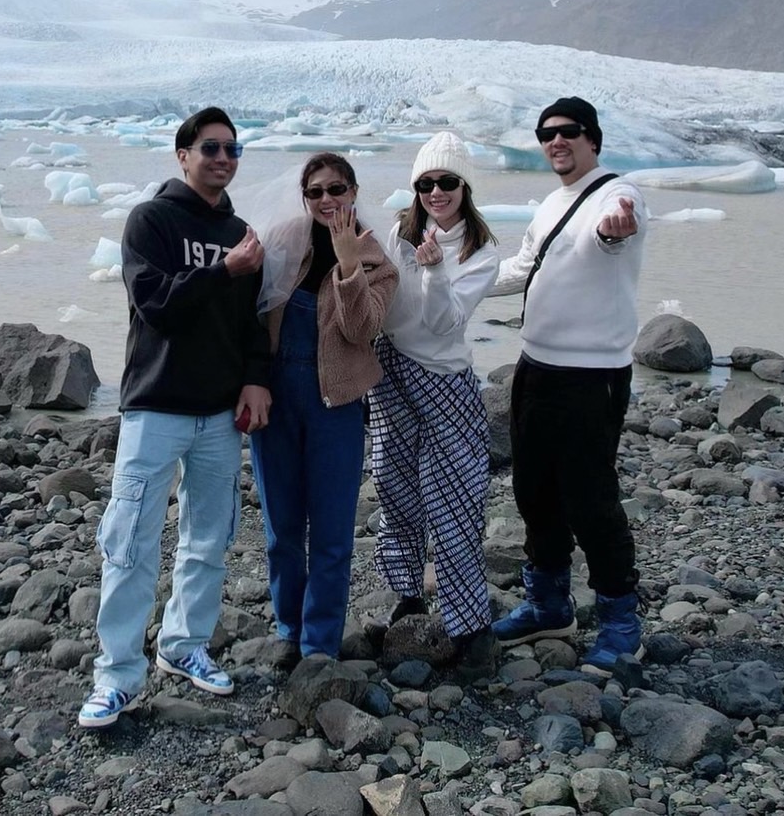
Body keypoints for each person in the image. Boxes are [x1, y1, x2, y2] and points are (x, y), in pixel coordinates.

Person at [78, 107, 270, 730]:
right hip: (155, 407)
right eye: (210, 147)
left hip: (219, 413)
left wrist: (255, 379)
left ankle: (185, 646)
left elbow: (250, 325)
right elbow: (155, 303)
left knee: (208, 539)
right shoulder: (151, 220)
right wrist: (221, 271)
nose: (222, 158)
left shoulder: (240, 231)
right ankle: (117, 675)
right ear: (182, 154)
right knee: (130, 542)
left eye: (231, 149)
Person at [489, 96, 649, 670]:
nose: (556, 141)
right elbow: (524, 266)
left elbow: (616, 231)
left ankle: (619, 619)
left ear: (593, 139)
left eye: (569, 132)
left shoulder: (616, 195)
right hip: (536, 366)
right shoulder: (552, 202)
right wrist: (449, 282)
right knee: (533, 489)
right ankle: (549, 604)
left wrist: (615, 230)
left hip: (592, 375)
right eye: (547, 133)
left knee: (591, 498)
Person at [248, 153, 397, 663]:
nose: (327, 200)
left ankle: (319, 645)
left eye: (337, 189)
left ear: (353, 191)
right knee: (282, 529)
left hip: (337, 404)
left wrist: (349, 263)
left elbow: (362, 329)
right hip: (277, 398)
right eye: (316, 192)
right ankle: (290, 628)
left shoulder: (377, 259)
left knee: (332, 533)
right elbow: (250, 313)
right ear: (304, 197)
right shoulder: (283, 241)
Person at [372, 131, 500, 676]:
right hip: (392, 368)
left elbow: (444, 322)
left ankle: (471, 625)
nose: (435, 192)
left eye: (446, 182)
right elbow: (377, 294)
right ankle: (407, 594)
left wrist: (432, 270)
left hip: (443, 378)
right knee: (392, 482)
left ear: (464, 186)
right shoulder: (400, 231)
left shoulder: (480, 250)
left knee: (453, 499)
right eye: (426, 183)